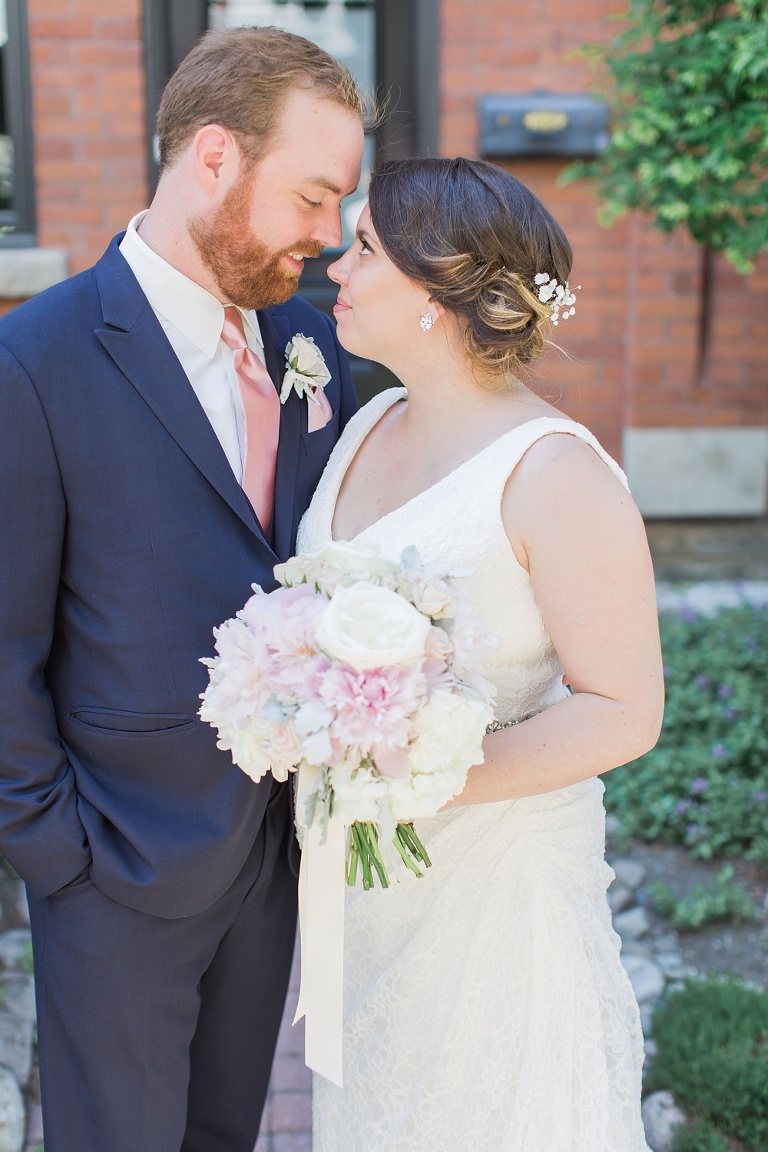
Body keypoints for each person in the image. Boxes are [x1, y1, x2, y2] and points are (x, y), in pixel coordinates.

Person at [0, 25, 364, 1152]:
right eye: (311, 196)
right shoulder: (36, 364)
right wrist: (61, 859)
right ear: (213, 159)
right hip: (114, 869)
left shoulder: (313, 343)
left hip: (270, 856)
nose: (329, 235)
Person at [297, 157, 664, 1150]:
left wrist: (418, 779)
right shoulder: (369, 422)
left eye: (364, 247)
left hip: (499, 899)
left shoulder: (556, 473)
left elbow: (626, 709)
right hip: (368, 900)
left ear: (438, 292)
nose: (336, 263)